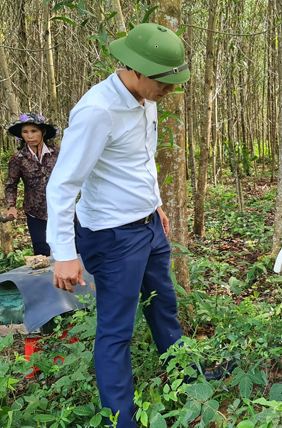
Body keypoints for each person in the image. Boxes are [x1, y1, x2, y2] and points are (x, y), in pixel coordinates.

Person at [46, 23, 216, 427]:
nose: (169, 91)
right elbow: (62, 185)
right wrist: (64, 254)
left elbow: (140, 160)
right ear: (136, 69)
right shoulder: (97, 111)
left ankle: (189, 381)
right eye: (164, 82)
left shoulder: (146, 97)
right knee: (116, 329)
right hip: (112, 235)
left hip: (148, 227)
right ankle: (120, 419)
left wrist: (155, 205)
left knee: (164, 307)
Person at [4, 113, 60, 257]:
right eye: (25, 132)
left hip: (61, 207)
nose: (29, 136)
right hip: (35, 211)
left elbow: (73, 176)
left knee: (74, 248)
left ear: (43, 132)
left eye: (34, 131)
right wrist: (11, 206)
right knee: (41, 253)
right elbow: (11, 184)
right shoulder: (18, 159)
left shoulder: (58, 154)